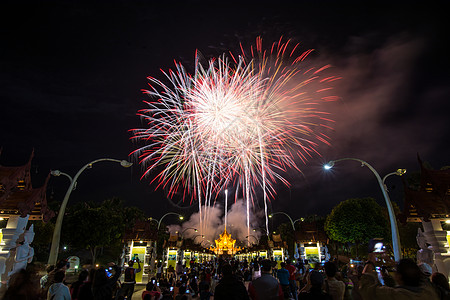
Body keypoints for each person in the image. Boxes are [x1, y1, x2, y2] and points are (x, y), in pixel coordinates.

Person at [359, 256, 440, 300]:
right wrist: (394, 263)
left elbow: (366, 289)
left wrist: (370, 262)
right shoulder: (429, 292)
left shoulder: (395, 295)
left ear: (398, 277)